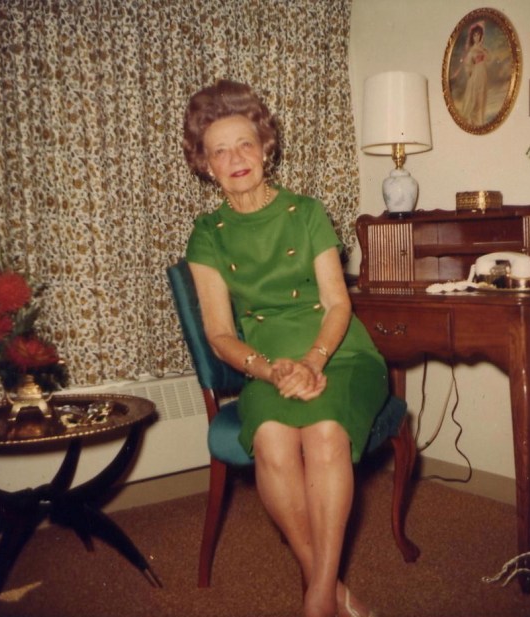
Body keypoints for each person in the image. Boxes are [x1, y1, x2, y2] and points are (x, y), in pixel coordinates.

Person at [182, 79, 388, 617]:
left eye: (245, 144)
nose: (236, 159)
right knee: (273, 440)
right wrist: (272, 371)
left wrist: (314, 361)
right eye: (220, 151)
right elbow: (219, 334)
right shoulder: (207, 234)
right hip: (266, 365)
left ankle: (316, 599)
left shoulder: (307, 212)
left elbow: (338, 304)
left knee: (324, 433)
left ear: (265, 148)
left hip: (338, 353)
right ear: (206, 165)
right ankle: (330, 586)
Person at [458, 22, 490, 126]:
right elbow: (467, 64)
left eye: (478, 35)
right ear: (472, 37)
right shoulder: (472, 50)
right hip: (476, 74)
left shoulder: (483, 49)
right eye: (474, 35)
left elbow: (488, 59)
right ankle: (473, 121)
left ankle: (480, 121)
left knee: (482, 97)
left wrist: (483, 52)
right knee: (474, 98)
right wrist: (470, 72)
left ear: (481, 36)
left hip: (483, 74)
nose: (476, 37)